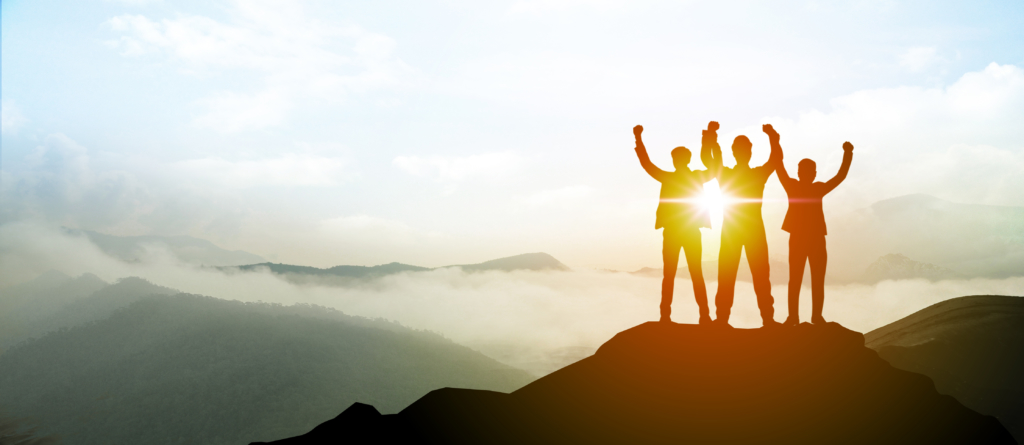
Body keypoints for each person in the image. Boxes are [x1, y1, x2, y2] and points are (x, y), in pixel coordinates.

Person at [766, 124, 854, 325]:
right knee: (813, 280)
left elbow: (778, 165)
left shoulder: (794, 186)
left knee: (797, 279)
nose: (808, 173)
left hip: (801, 237)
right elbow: (840, 177)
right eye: (807, 170)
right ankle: (811, 317)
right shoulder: (815, 188)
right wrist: (848, 154)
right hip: (812, 238)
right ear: (811, 173)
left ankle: (796, 317)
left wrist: (774, 139)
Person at [632, 123, 718, 324]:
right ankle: (703, 317)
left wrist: (638, 138)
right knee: (693, 273)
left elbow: (647, 164)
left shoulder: (668, 177)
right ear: (687, 160)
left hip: (674, 231)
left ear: (677, 160)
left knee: (670, 275)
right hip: (689, 231)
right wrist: (710, 138)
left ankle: (667, 317)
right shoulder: (695, 176)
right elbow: (714, 169)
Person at [704, 123, 782, 328]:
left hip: (734, 228)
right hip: (750, 228)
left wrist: (710, 138)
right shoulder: (757, 174)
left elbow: (710, 160)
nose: (744, 152)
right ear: (749, 153)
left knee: (732, 274)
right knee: (756, 275)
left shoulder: (728, 174)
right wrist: (773, 137)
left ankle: (724, 319)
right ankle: (765, 319)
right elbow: (776, 159)